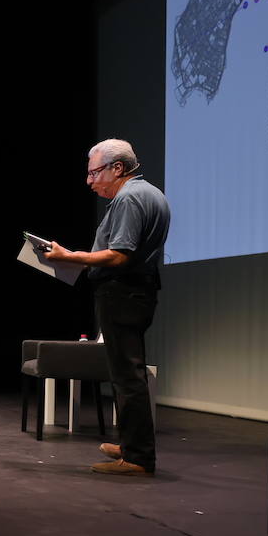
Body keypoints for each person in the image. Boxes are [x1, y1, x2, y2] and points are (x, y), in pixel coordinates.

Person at [44, 138, 170, 476]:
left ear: (117, 168)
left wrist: (70, 257)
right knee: (128, 373)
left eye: (94, 173)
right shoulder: (151, 193)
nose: (90, 181)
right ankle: (132, 443)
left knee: (127, 377)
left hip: (122, 293)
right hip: (135, 293)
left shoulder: (129, 198)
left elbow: (119, 255)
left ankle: (139, 457)